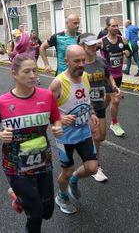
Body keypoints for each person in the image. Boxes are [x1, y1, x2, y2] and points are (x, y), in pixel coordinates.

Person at [0, 53, 63, 233]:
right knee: (35, 214)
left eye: (35, 71)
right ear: (14, 74)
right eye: (27, 71)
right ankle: (23, 198)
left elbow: (55, 119)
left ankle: (18, 197)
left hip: (42, 161)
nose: (32, 76)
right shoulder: (2, 102)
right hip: (15, 164)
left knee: (47, 211)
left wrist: (57, 127)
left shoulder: (47, 96)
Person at [48, 45, 99, 214]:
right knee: (67, 171)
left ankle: (75, 180)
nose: (81, 64)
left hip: (84, 132)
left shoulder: (85, 76)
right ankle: (61, 196)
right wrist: (60, 119)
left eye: (83, 60)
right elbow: (44, 108)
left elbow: (87, 97)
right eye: (77, 61)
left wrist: (91, 112)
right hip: (65, 137)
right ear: (66, 61)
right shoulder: (58, 83)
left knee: (92, 167)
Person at [79, 33, 120, 182]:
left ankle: (89, 151)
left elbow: (107, 75)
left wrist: (114, 86)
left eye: (94, 44)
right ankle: (95, 166)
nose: (93, 47)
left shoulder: (101, 61)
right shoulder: (80, 65)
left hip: (100, 103)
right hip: (87, 107)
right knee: (96, 135)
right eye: (89, 44)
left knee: (101, 136)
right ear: (82, 46)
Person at [100, 17, 130, 137]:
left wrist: (128, 53)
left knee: (108, 98)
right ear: (107, 27)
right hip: (107, 76)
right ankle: (114, 123)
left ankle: (98, 113)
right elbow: (90, 52)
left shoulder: (122, 39)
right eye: (113, 26)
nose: (116, 28)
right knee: (116, 99)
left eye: (117, 25)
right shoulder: (102, 41)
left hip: (118, 75)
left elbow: (129, 52)